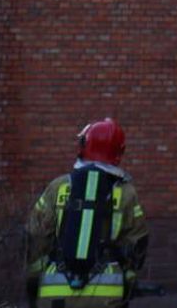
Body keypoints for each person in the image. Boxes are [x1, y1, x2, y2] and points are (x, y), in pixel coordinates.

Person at [25, 119, 148, 307]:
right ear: (118, 152)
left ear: (84, 145)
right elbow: (137, 242)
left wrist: (33, 281)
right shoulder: (126, 193)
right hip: (106, 292)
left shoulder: (58, 186)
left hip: (55, 291)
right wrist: (128, 282)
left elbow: (35, 235)